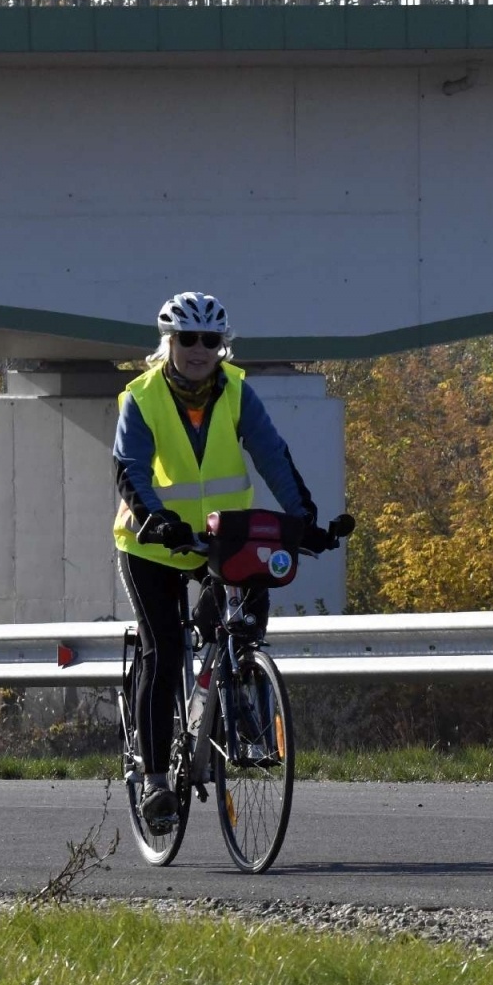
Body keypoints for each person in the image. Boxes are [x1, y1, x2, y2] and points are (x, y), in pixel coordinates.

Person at [114, 292, 334, 827]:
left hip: (223, 542)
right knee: (164, 653)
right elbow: (130, 469)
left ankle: (238, 715)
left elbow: (272, 455)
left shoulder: (236, 392)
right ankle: (156, 780)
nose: (198, 349)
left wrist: (303, 518)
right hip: (153, 543)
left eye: (209, 340)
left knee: (239, 631)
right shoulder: (140, 397)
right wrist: (156, 517)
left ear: (222, 346)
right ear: (169, 342)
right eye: (187, 338)